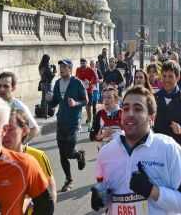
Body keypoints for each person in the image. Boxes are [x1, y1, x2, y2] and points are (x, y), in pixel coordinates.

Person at [91, 85, 181, 214]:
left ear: (152, 118)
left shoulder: (168, 148)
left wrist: (152, 191)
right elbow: (106, 202)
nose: (130, 114)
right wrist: (100, 201)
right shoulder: (106, 153)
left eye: (138, 109)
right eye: (125, 108)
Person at [3, 108, 57, 213]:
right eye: (2, 129)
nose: (5, 134)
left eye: (10, 129)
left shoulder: (38, 157)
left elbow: (51, 190)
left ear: (24, 131)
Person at [46, 58, 88, 192]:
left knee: (69, 152)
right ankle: (68, 180)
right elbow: (55, 103)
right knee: (62, 155)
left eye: (64, 67)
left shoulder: (77, 83)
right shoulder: (58, 83)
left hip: (73, 122)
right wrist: (49, 100)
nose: (61, 69)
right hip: (61, 122)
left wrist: (76, 103)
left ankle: (78, 155)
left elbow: (85, 100)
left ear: (70, 69)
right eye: (60, 67)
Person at [154, 60, 181, 150]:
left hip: (177, 149)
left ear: (178, 77)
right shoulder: (154, 98)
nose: (166, 80)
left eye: (170, 76)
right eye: (164, 76)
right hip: (157, 150)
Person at [0, 71, 40, 142]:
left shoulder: (19, 106)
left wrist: (20, 144)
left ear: (13, 88)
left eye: (6, 86)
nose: (1, 89)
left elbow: (35, 129)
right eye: (0, 86)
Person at [89, 86, 123, 150]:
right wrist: (103, 135)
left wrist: (119, 135)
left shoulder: (123, 114)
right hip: (104, 152)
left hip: (120, 153)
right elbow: (92, 136)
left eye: (109, 97)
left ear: (115, 99)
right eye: (104, 97)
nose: (106, 100)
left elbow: (131, 136)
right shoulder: (100, 114)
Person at [76, 58, 99, 125]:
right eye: (81, 63)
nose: (82, 65)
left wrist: (90, 82)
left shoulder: (90, 70)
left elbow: (96, 79)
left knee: (88, 107)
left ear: (86, 63)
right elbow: (76, 78)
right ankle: (78, 121)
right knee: (79, 106)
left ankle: (89, 120)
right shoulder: (78, 69)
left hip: (89, 91)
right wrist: (79, 81)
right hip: (80, 91)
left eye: (84, 63)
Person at [37, 54, 56, 118]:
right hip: (47, 84)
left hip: (42, 83)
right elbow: (51, 76)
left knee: (43, 99)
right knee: (48, 99)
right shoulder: (47, 66)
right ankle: (46, 114)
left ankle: (43, 112)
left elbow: (43, 74)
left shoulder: (40, 66)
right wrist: (54, 69)